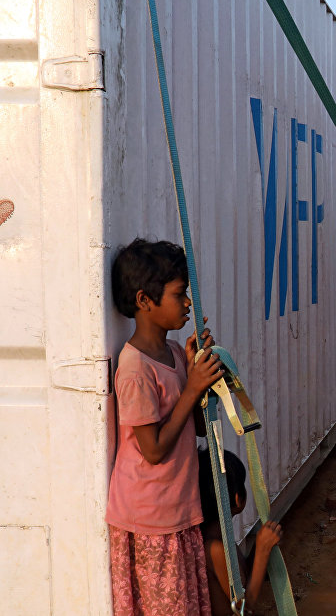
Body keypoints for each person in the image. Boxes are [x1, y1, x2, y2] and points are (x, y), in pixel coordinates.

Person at [106, 238, 224, 616]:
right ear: (144, 301)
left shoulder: (173, 354)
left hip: (176, 510)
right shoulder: (136, 368)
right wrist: (192, 388)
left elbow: (198, 431)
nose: (188, 302)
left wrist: (197, 372)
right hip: (151, 519)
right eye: (179, 294)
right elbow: (153, 450)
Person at [198, 448, 283, 616]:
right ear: (238, 498)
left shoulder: (219, 537)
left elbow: (244, 578)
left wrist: (263, 544)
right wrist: (262, 551)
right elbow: (243, 607)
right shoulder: (215, 549)